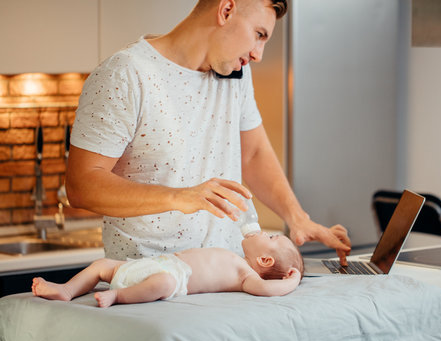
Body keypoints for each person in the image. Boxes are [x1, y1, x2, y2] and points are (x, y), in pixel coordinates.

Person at [65, 0, 351, 264]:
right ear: (226, 10)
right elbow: (82, 185)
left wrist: (298, 218)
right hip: (149, 282)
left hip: (225, 277)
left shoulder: (235, 75)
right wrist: (180, 197)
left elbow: (252, 154)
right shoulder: (127, 73)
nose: (258, 54)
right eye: (259, 34)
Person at [32, 232, 304, 308]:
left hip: (174, 277)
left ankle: (119, 297)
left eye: (271, 238)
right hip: (159, 262)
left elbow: (268, 290)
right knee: (104, 265)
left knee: (162, 284)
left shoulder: (247, 276)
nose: (264, 234)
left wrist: (293, 280)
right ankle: (67, 290)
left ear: (265, 262)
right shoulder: (235, 256)